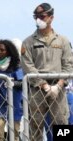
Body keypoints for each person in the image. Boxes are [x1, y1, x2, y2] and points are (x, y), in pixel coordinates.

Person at [21, 3, 73, 141]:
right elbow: (27, 66)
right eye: (36, 17)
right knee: (35, 125)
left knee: (62, 124)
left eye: (42, 16)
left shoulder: (63, 40)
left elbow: (69, 65)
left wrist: (59, 85)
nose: (39, 19)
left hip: (58, 87)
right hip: (37, 88)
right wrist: (43, 84)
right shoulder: (28, 42)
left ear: (51, 17)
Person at [0, 40, 23, 141]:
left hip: (14, 105)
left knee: (14, 135)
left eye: (2, 50)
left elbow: (22, 83)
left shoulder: (16, 67)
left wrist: (12, 84)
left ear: (8, 52)